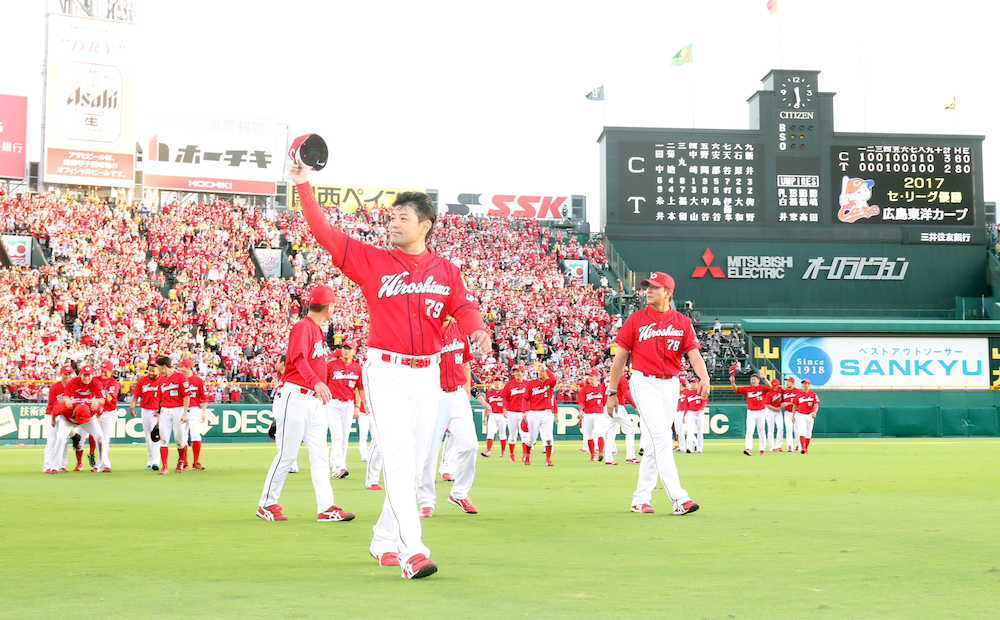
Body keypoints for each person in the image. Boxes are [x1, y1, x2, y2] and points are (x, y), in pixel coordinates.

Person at [294, 163, 489, 579]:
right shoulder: (372, 260)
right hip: (386, 372)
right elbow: (324, 232)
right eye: (390, 217)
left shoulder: (445, 270)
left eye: (402, 217)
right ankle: (412, 550)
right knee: (399, 460)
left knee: (416, 462)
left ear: (426, 225)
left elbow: (464, 307)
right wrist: (302, 184)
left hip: (428, 375)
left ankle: (383, 538)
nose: (393, 223)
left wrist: (478, 331)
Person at [257, 286, 355, 523]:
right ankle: (266, 503)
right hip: (297, 395)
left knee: (320, 454)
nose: (334, 308)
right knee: (287, 455)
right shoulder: (303, 327)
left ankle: (326, 507)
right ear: (328, 306)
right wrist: (315, 381)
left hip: (313, 400)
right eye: (333, 304)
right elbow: (298, 358)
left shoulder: (317, 330)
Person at [606, 271, 702, 516]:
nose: (648, 290)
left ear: (668, 292)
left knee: (651, 443)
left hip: (671, 384)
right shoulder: (636, 319)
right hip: (643, 381)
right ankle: (679, 498)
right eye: (647, 286)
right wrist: (612, 391)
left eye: (655, 287)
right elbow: (620, 358)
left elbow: (693, 353)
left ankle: (640, 499)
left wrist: (704, 376)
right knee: (661, 437)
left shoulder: (682, 321)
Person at [418, 316, 479, 516]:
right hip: (433, 396)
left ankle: (459, 493)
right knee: (429, 451)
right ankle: (426, 500)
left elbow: (466, 360)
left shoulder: (460, 329)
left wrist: (468, 387)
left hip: (457, 394)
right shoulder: (424, 329)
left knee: (470, 444)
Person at [55, 365, 106, 472]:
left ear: (92, 375)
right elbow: (57, 408)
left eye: (89, 375)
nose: (87, 378)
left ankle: (101, 465)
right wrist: (67, 399)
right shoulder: (72, 384)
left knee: (100, 436)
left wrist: (97, 401)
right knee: (60, 438)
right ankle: (56, 466)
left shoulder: (95, 387)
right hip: (69, 417)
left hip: (87, 416)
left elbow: (102, 400)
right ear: (80, 374)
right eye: (85, 375)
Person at [326, 342, 362, 479]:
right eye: (344, 348)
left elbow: (359, 389)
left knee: (344, 437)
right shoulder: (331, 365)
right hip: (333, 403)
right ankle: (339, 467)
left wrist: (358, 406)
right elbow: (323, 383)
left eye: (349, 349)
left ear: (354, 351)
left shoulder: (357, 368)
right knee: (337, 435)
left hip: (348, 404)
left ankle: (336, 463)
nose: (345, 351)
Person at [156, 355, 190, 474]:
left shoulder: (181, 377)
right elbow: (159, 399)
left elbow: (186, 396)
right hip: (165, 410)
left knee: (179, 440)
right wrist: (158, 414)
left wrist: (185, 413)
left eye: (159, 368)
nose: (158, 370)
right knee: (163, 439)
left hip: (179, 409)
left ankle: (181, 461)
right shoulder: (161, 379)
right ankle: (164, 466)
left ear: (164, 367)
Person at [601, 366, 639, 465]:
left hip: (607, 407)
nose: (624, 372)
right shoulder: (620, 378)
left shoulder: (606, 379)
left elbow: (602, 394)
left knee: (609, 434)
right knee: (630, 430)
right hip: (619, 406)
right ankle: (630, 457)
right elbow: (626, 393)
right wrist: (635, 406)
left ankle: (609, 459)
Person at [523, 361, 556, 466]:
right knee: (532, 438)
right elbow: (525, 398)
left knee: (549, 437)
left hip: (547, 413)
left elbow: (554, 379)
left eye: (543, 372)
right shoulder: (531, 384)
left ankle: (548, 460)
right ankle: (527, 457)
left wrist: (546, 368)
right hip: (534, 413)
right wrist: (524, 411)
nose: (542, 373)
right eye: (540, 372)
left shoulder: (549, 383)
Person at [130, 362, 162, 470]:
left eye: (153, 370)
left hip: (157, 411)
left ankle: (156, 463)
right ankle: (150, 462)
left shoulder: (163, 381)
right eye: (149, 370)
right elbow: (135, 396)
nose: (151, 372)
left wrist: (161, 412)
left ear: (159, 370)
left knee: (156, 437)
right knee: (148, 438)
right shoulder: (143, 380)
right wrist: (132, 407)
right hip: (145, 411)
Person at [42, 365, 73, 474]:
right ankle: (47, 466)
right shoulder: (55, 387)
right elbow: (52, 404)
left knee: (64, 441)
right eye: (66, 374)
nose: (68, 376)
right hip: (52, 415)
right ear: (61, 374)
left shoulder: (73, 387)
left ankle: (61, 465)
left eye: (70, 373)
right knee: (52, 441)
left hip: (65, 416)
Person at [179, 358, 207, 470]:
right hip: (181, 409)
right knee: (182, 437)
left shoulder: (198, 380)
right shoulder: (179, 380)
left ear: (188, 367)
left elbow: (205, 398)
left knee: (196, 435)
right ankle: (184, 462)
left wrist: (203, 412)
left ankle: (195, 462)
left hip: (195, 409)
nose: (180, 368)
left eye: (182, 367)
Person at [732, 372, 768, 456]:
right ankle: (748, 449)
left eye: (754, 379)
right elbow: (736, 390)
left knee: (761, 431)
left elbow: (770, 387)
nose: (753, 381)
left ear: (758, 381)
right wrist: (733, 382)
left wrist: (764, 378)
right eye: (751, 379)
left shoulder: (762, 388)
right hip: (751, 412)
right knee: (749, 431)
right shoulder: (747, 389)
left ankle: (762, 449)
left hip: (761, 411)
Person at [501, 366, 529, 464]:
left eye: (519, 372)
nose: (517, 373)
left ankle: (525, 454)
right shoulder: (509, 384)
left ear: (523, 373)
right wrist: (504, 408)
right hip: (512, 412)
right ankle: (512, 454)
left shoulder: (527, 384)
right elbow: (505, 398)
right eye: (515, 372)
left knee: (525, 435)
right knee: (512, 435)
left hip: (523, 413)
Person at [576, 369, 605, 461]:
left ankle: (600, 452)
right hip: (587, 414)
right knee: (588, 435)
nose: (589, 378)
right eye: (589, 376)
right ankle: (592, 455)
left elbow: (605, 401)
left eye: (591, 376)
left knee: (599, 432)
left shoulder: (602, 388)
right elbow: (581, 401)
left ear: (597, 377)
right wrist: (581, 410)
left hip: (599, 414)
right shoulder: (585, 388)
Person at [96, 360, 120, 472]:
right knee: (99, 439)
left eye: (106, 370)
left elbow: (110, 398)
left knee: (104, 439)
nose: (103, 372)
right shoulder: (95, 380)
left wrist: (96, 400)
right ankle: (101, 464)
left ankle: (104, 465)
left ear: (111, 371)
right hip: (96, 413)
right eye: (102, 370)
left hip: (109, 413)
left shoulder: (113, 382)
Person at [479, 381, 506, 457]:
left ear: (501, 382)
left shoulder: (504, 391)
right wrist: (484, 417)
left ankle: (503, 451)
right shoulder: (490, 392)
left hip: (502, 415)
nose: (497, 383)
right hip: (492, 414)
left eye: (499, 381)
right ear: (494, 382)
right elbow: (487, 406)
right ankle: (488, 451)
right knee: (490, 432)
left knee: (502, 434)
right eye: (496, 381)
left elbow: (508, 403)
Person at [794, 379, 820, 454]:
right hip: (800, 414)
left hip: (809, 415)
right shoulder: (798, 395)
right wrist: (793, 415)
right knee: (802, 431)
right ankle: (803, 448)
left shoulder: (813, 394)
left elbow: (816, 404)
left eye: (806, 383)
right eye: (803, 383)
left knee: (809, 432)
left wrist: (815, 412)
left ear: (809, 385)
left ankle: (805, 448)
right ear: (801, 385)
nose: (804, 385)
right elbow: (795, 406)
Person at [683, 376, 706, 453]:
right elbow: (686, 405)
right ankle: (689, 448)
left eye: (694, 382)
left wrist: (700, 409)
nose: (692, 384)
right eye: (691, 382)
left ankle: (699, 448)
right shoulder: (688, 393)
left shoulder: (701, 391)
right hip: (690, 412)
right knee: (689, 430)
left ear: (698, 383)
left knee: (700, 431)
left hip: (699, 412)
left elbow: (705, 401)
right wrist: (684, 415)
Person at [764, 379, 784, 452]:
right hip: (770, 411)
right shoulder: (769, 393)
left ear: (778, 385)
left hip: (778, 411)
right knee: (771, 429)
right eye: (774, 385)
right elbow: (767, 405)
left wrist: (780, 406)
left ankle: (778, 446)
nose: (775, 387)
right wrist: (776, 409)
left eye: (776, 385)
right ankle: (772, 447)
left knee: (780, 427)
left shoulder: (780, 390)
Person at [781, 376, 801, 452]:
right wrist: (783, 404)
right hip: (787, 413)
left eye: (788, 381)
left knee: (797, 430)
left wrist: (788, 403)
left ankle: (797, 445)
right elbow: (782, 401)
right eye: (786, 381)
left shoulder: (798, 391)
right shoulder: (784, 391)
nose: (787, 383)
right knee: (789, 430)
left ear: (792, 382)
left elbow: (799, 402)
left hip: (796, 413)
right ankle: (790, 446)